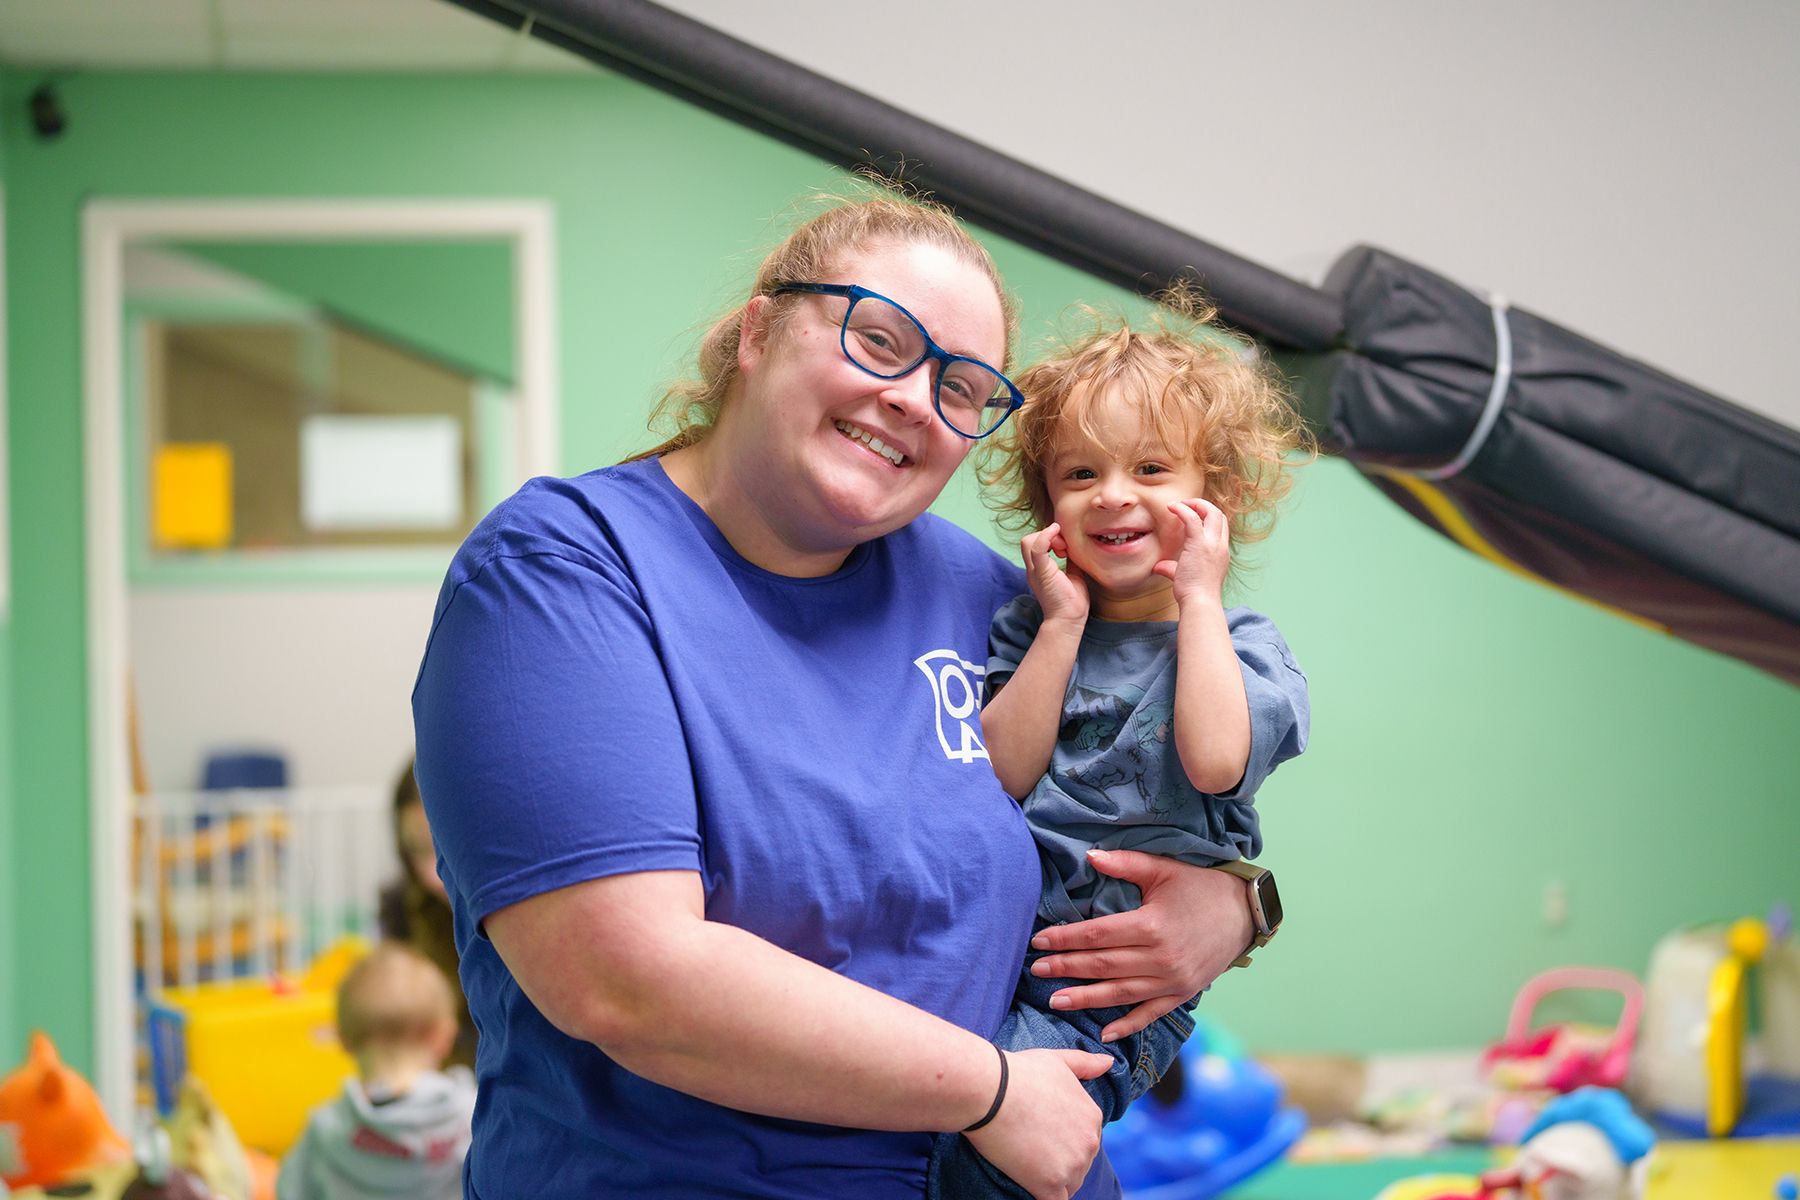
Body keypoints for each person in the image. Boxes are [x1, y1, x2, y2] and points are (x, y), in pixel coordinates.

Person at [411, 190, 1264, 1200]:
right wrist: (989, 1091)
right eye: (881, 338)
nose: (914, 398)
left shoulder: (993, 599)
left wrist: (1240, 906)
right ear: (760, 331)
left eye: (961, 387)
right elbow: (624, 979)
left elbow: (1139, 810)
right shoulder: (564, 575)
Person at [929, 315, 1312, 1197]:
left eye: (1149, 469)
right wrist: (1060, 626)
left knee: (989, 1155)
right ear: (1046, 506)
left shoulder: (1245, 647)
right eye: (1079, 473)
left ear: (1213, 498)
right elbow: (997, 775)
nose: (1111, 495)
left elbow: (1216, 763)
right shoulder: (1031, 627)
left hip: (1109, 982)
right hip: (1000, 952)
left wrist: (1201, 598)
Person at [277, 942, 477, 1200]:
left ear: (343, 1039)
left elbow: (290, 1192)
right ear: (445, 1034)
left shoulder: (326, 1130)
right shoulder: (469, 1116)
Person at [375, 758, 474, 1068]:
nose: (433, 876)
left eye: (443, 849)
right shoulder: (400, 912)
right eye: (416, 850)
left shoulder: (525, 916)